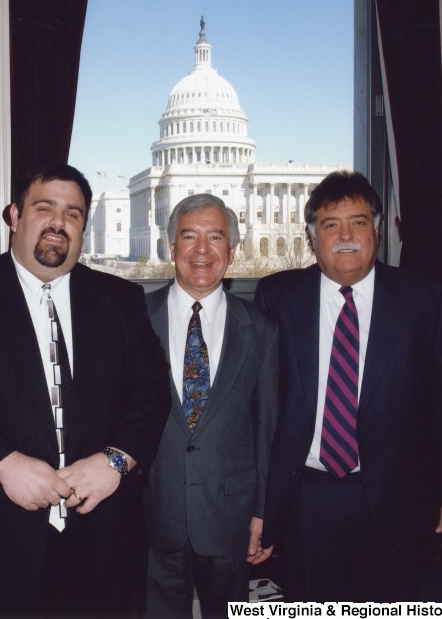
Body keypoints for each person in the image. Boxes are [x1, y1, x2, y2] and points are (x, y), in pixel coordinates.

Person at [0, 164, 170, 618]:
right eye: (44, 207)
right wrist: (4, 464)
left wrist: (115, 461)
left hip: (102, 540)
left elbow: (152, 392)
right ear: (13, 215)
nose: (58, 222)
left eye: (73, 213)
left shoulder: (121, 299)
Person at [253, 170, 442, 601]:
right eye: (330, 224)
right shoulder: (276, 297)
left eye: (358, 222)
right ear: (311, 236)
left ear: (376, 230)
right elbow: (258, 406)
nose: (345, 235)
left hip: (400, 498)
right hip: (306, 498)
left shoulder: (425, 299)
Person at [143, 194, 279, 618]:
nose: (202, 250)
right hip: (152, 515)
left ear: (232, 251)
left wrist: (262, 514)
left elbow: (267, 428)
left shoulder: (261, 328)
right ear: (171, 248)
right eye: (189, 236)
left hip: (230, 518)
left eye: (215, 236)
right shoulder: (133, 319)